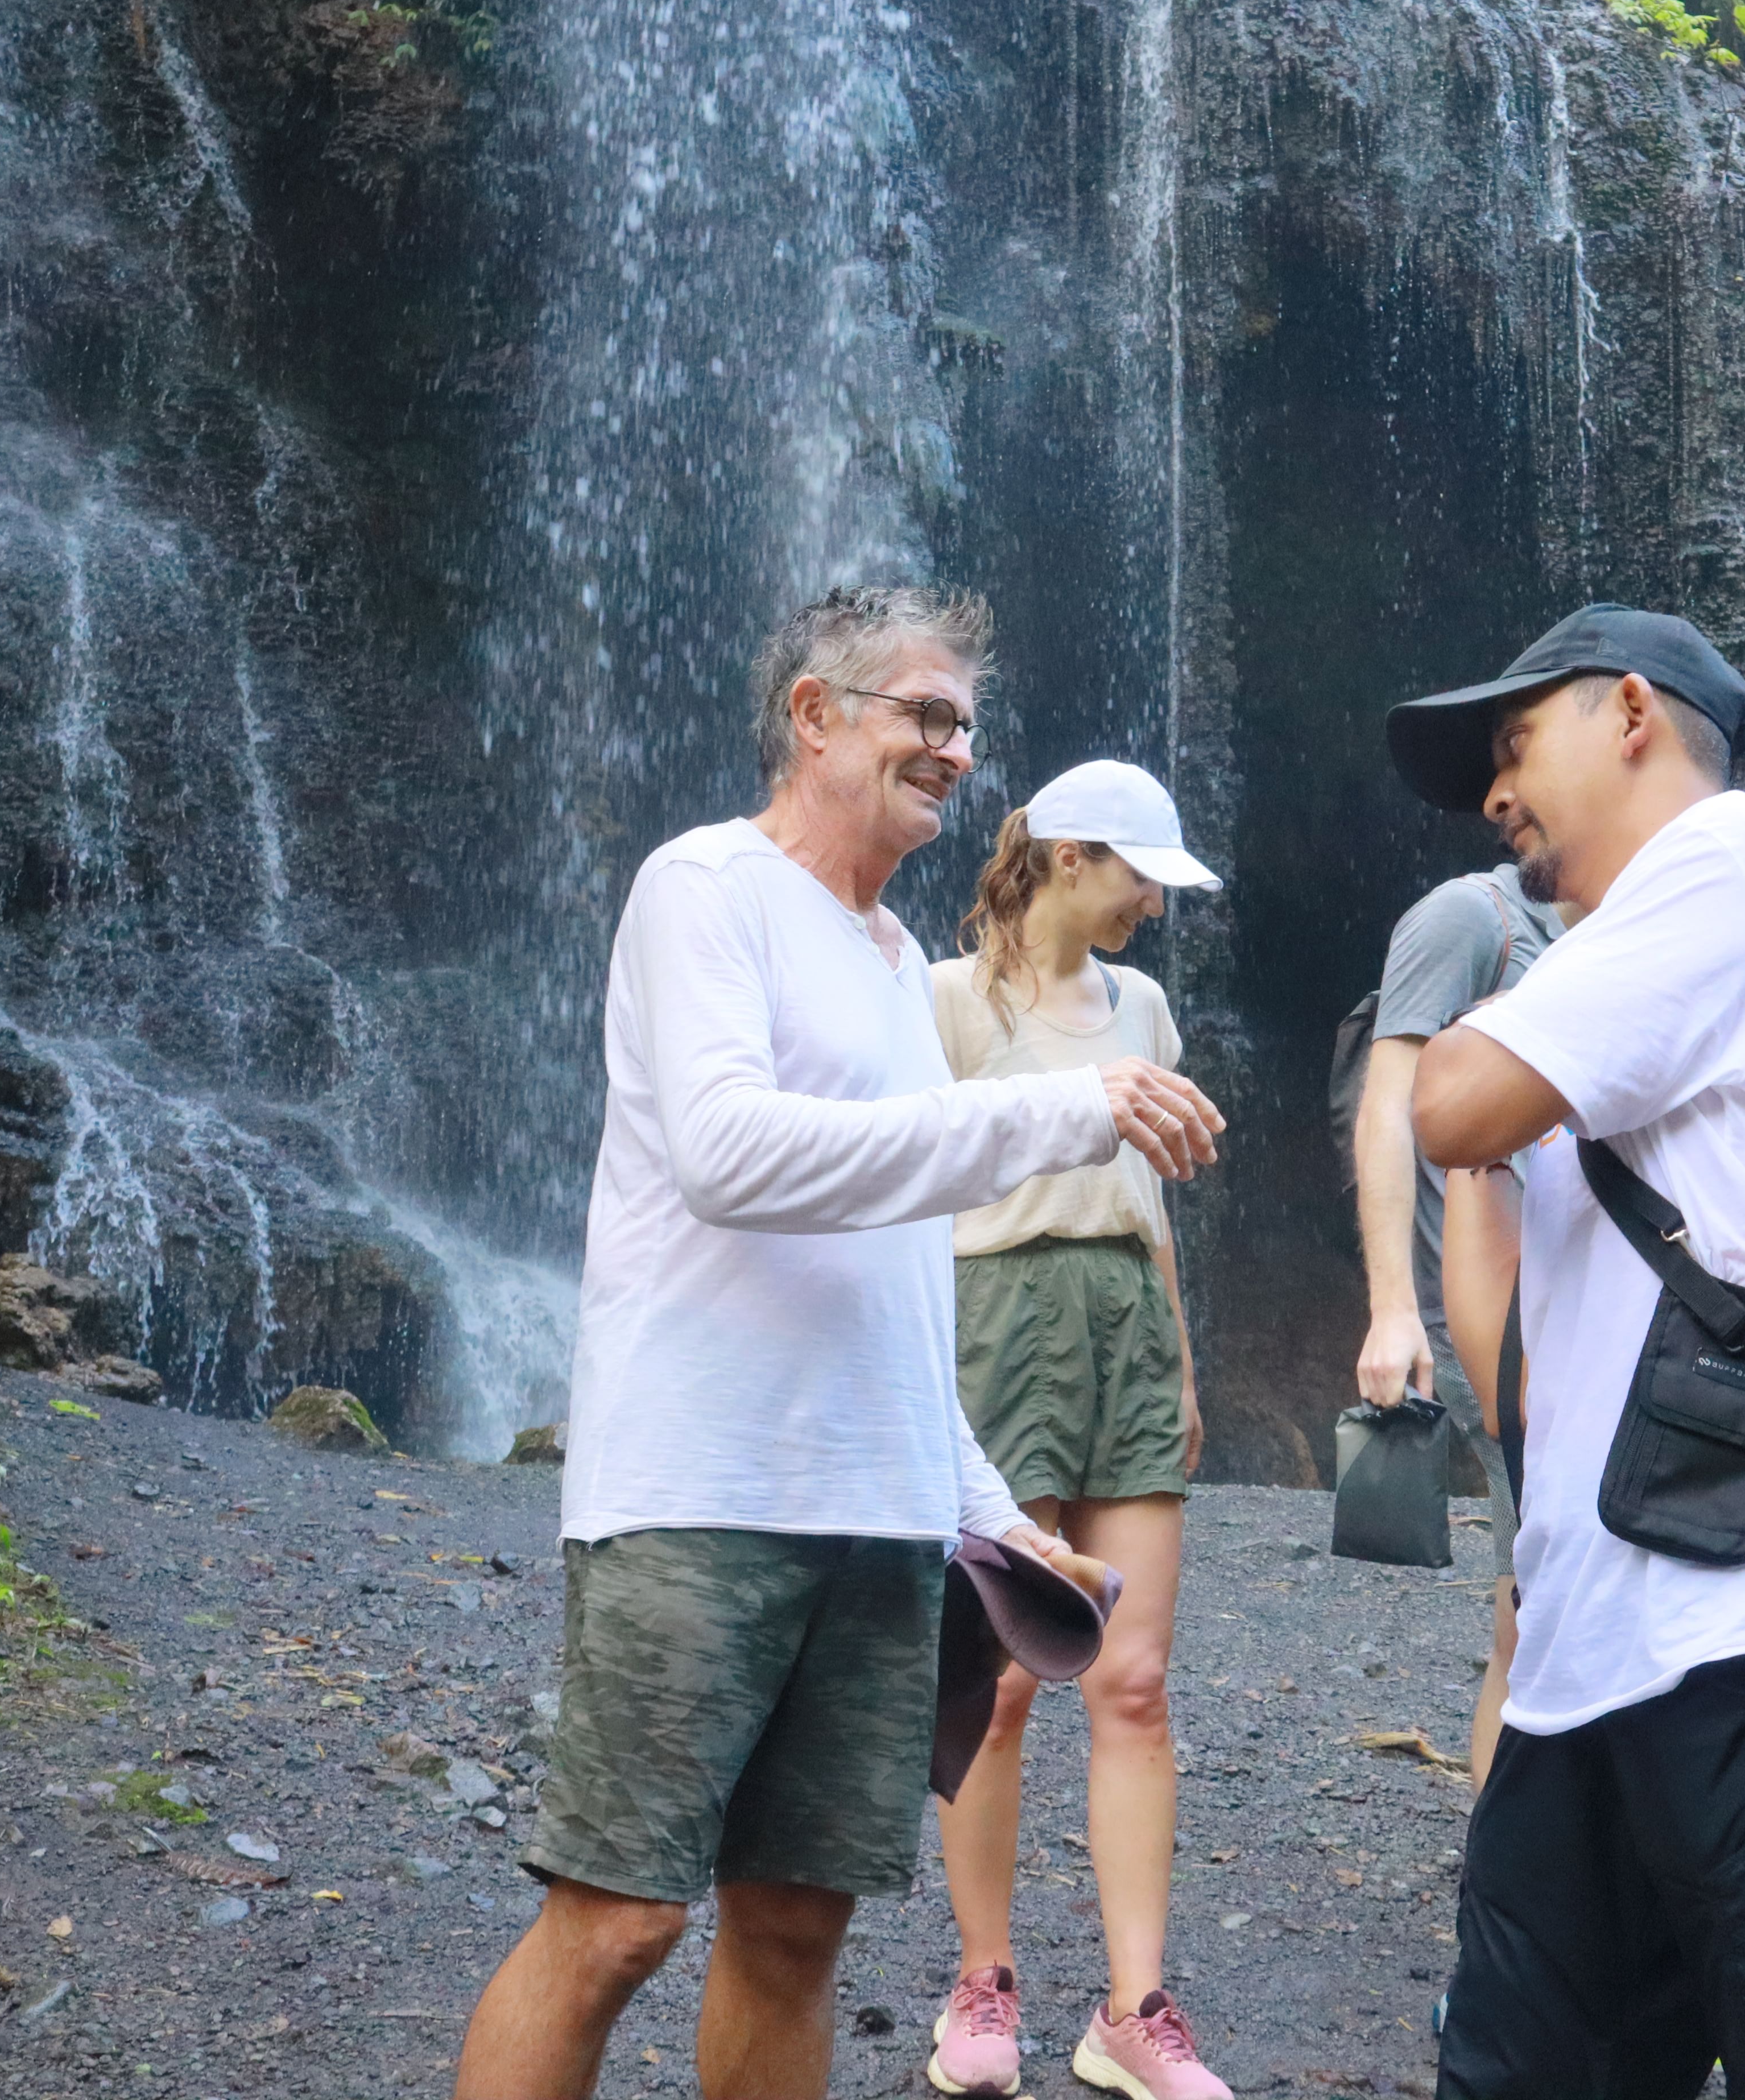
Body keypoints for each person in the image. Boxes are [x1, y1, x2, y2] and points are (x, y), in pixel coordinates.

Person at [452, 588, 1226, 2100]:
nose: (954, 749)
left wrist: (992, 1511)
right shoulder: (707, 891)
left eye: (965, 727)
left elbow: (888, 1284)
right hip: (699, 1501)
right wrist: (1058, 1109)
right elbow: (733, 1158)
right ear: (815, 715)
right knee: (615, 1924)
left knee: (797, 1934)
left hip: (876, 1523)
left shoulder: (885, 959)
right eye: (922, 715)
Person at [1400, 603, 1745, 2100]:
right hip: (1590, 1666)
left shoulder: (1733, 858)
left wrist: (1477, 1036)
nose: (1492, 795)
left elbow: (1451, 1101)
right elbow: (1519, 1301)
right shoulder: (1636, 973)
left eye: (1517, 743)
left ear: (1633, 714)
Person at [924, 760, 1233, 2100]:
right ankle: (981, 1979)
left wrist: (1178, 1357)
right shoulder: (942, 1001)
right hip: (995, 1319)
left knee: (1135, 1675)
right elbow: (902, 1183)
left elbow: (1147, 1200)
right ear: (1069, 857)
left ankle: (1132, 2007)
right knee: (1000, 1681)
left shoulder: (1143, 1005)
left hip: (1124, 1320)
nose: (1155, 905)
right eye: (1140, 875)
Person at [1350, 853, 1561, 1782]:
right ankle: (1515, 1892)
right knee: (1538, 1611)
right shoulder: (1470, 920)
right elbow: (1387, 1110)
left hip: (1607, 1329)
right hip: (1495, 1328)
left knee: (1564, 1606)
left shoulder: (1632, 919)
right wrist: (1394, 1309)